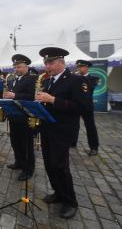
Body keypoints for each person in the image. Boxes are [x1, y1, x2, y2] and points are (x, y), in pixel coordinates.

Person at [35, 47, 91, 219]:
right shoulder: (48, 81)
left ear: (61, 62)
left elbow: (82, 107)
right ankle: (58, 192)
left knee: (60, 166)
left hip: (63, 131)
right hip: (47, 129)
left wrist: (52, 99)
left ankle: (70, 201)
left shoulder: (75, 80)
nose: (47, 66)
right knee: (49, 164)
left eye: (50, 63)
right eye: (45, 63)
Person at [3, 54, 36, 181]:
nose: (17, 69)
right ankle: (19, 162)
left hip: (25, 117)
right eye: (15, 67)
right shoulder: (13, 80)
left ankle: (28, 169)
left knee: (26, 144)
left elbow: (32, 96)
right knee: (15, 141)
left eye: (19, 67)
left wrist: (14, 95)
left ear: (26, 66)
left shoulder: (31, 79)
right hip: (14, 116)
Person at [74, 59, 100, 156]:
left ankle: (94, 147)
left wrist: (78, 77)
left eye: (81, 67)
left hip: (86, 106)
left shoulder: (93, 78)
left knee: (90, 127)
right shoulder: (75, 77)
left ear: (86, 67)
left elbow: (89, 88)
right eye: (78, 67)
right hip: (75, 105)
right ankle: (73, 142)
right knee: (74, 125)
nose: (78, 69)